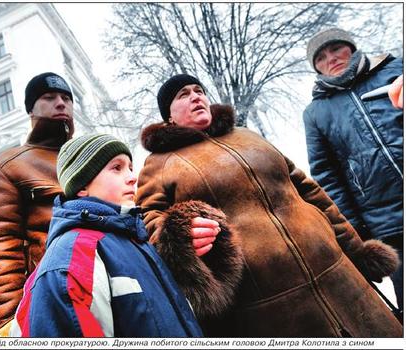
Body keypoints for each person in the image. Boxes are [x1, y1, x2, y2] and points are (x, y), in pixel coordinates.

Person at [135, 73, 403, 337]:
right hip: (268, 305)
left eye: (199, 90)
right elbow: (149, 218)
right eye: (184, 95)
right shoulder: (159, 164)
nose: (196, 96)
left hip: (337, 273)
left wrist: (357, 250)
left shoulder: (247, 136)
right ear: (168, 116)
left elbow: (310, 191)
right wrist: (180, 233)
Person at [7, 134, 203, 337]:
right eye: (116, 168)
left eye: (129, 167)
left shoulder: (135, 240)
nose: (132, 177)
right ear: (82, 186)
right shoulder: (72, 258)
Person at [302, 28, 403, 313]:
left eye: (336, 49)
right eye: (321, 57)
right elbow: (327, 177)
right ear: (316, 67)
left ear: (351, 48)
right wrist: (356, 230)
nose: (330, 58)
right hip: (388, 223)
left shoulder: (396, 70)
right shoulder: (316, 113)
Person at [0, 72, 75, 336]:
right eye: (49, 97)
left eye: (66, 98)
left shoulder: (90, 158)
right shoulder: (7, 166)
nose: (61, 103)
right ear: (31, 109)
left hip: (106, 293)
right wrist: (7, 325)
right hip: (50, 303)